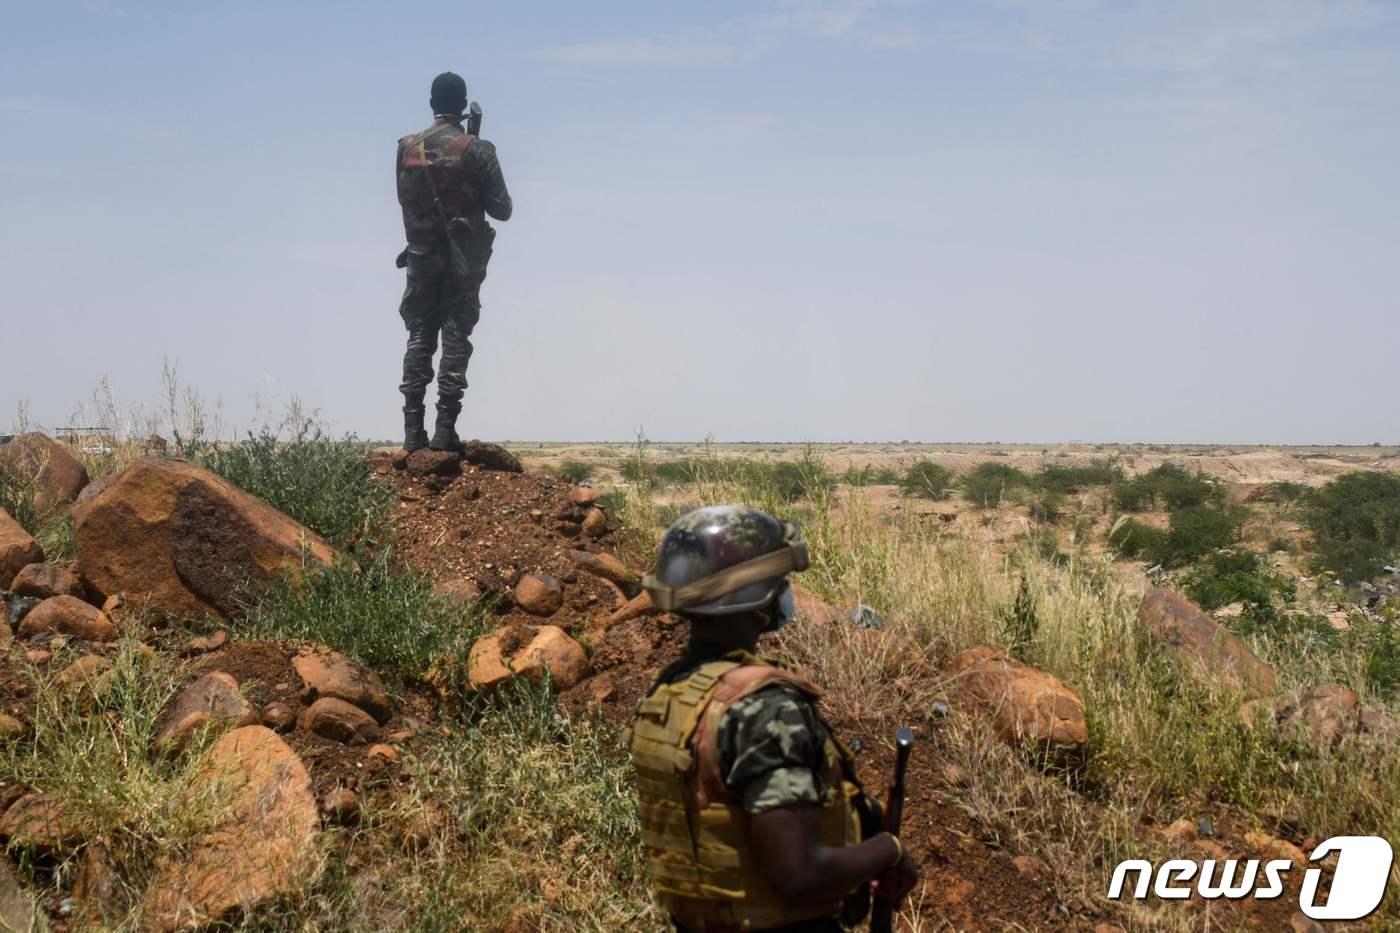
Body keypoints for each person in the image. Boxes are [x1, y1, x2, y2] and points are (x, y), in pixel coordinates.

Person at [630, 505, 919, 932]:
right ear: (758, 603)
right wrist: (889, 850)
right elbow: (799, 875)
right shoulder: (765, 709)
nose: (785, 591)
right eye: (778, 583)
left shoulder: (669, 694)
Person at [395, 71, 512, 452]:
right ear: (462, 106)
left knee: (419, 337)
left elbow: (404, 199)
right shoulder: (478, 150)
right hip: (463, 260)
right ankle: (445, 430)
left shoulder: (407, 147)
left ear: (432, 104)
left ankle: (413, 434)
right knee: (456, 336)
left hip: (421, 256)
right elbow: (503, 209)